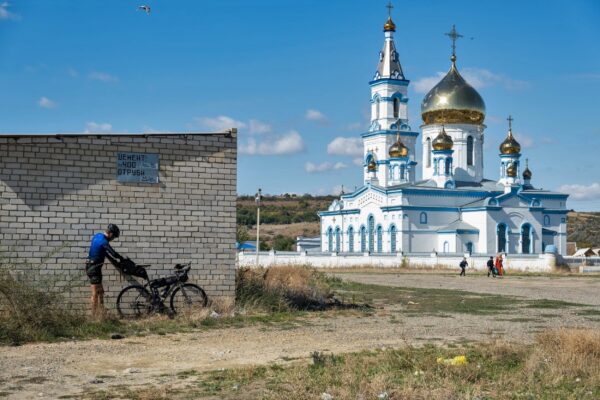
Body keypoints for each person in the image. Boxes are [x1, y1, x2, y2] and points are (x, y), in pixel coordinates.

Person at [86, 224, 123, 317]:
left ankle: (101, 311)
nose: (113, 239)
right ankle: (94, 316)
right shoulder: (104, 241)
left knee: (101, 291)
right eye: (114, 236)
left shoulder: (97, 236)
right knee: (95, 293)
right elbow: (113, 253)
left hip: (94, 267)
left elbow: (104, 252)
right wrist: (121, 258)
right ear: (110, 233)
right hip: (93, 268)